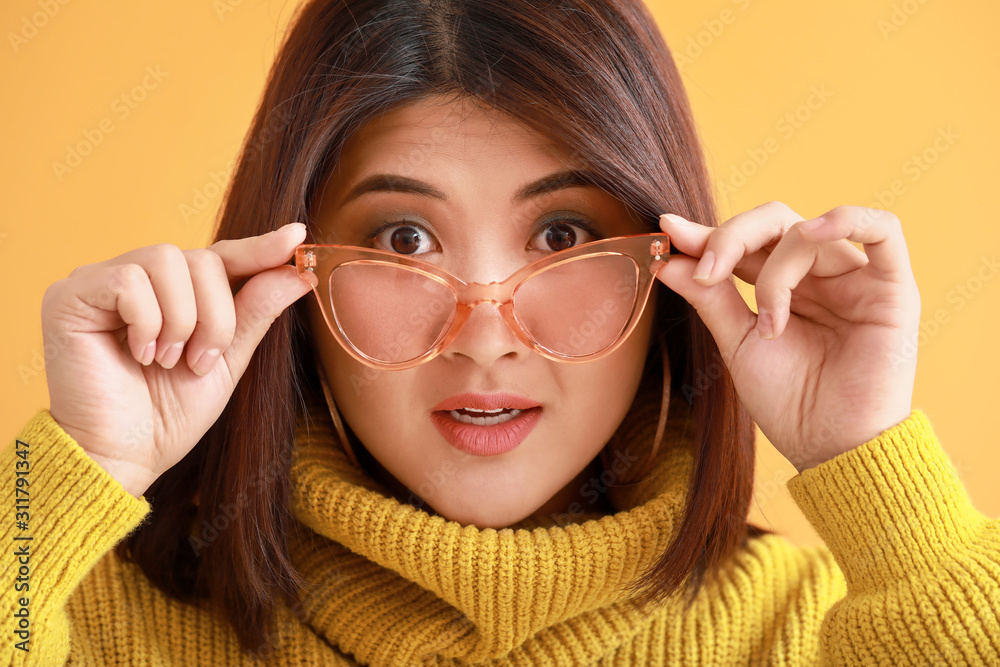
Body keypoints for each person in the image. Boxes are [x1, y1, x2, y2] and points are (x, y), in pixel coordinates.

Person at [3, 0, 998, 664]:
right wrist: (63, 477)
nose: (483, 335)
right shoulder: (74, 614)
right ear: (292, 275)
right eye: (403, 236)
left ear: (667, 265)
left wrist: (871, 462)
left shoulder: (819, 625)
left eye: (563, 233)